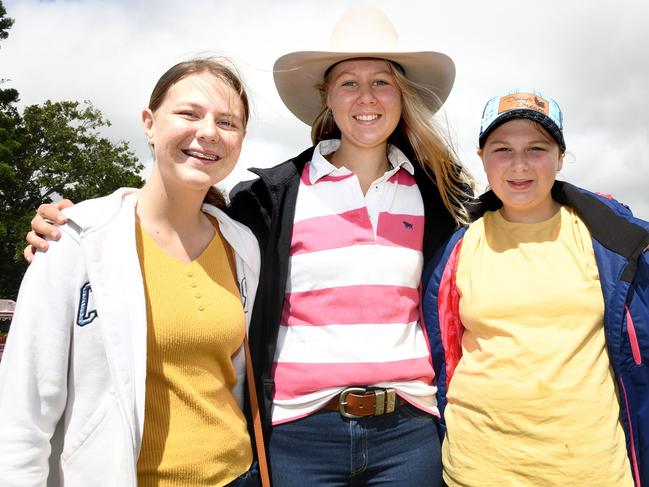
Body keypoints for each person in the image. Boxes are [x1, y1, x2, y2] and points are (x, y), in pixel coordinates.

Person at [25, 6, 474, 485]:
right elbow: (183, 205)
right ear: (327, 97)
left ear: (402, 95)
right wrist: (95, 220)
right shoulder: (268, 198)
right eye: (348, 82)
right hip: (299, 433)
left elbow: (516, 214)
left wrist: (568, 197)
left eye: (381, 82)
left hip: (408, 434)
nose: (366, 97)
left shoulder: (441, 198)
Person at [1, 57, 262, 486]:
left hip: (237, 476)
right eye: (189, 113)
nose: (209, 132)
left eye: (227, 122)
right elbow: (22, 413)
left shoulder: (243, 246)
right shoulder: (76, 238)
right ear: (149, 122)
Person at [421, 88, 649, 486]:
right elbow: (441, 357)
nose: (519, 166)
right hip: (477, 469)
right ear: (483, 159)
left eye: (537, 149)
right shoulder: (456, 250)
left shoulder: (611, 243)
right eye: (503, 150)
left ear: (561, 157)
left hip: (592, 469)